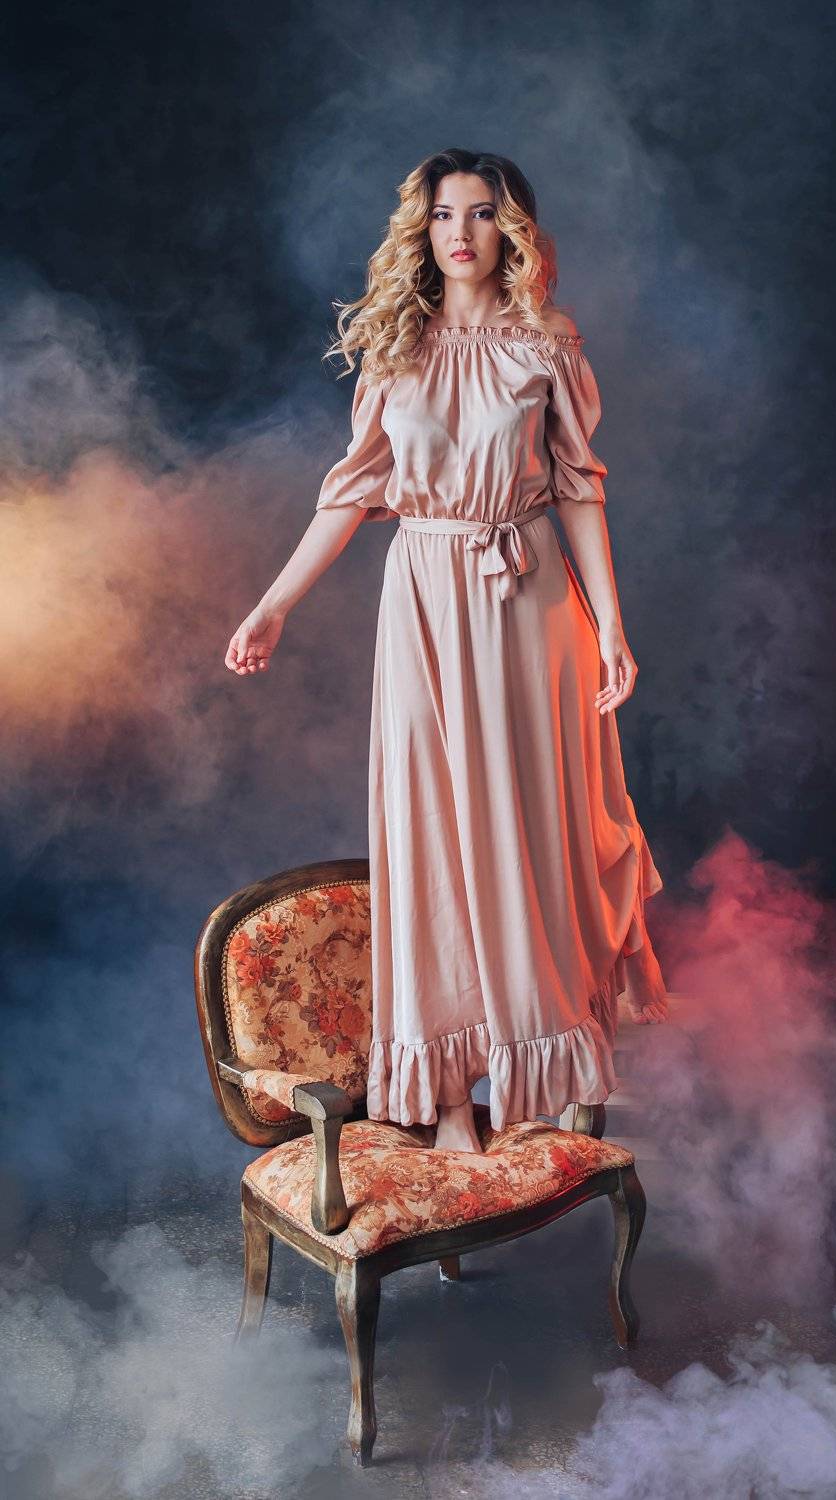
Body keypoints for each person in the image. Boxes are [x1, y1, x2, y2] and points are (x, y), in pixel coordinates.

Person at [225, 148, 671, 1156]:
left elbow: (579, 489)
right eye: (440, 216)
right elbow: (348, 495)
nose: (458, 233)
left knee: (533, 831)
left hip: (531, 601)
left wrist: (611, 625)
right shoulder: (396, 346)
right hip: (425, 600)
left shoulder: (547, 342)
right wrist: (273, 605)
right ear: (419, 231)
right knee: (430, 832)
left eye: (478, 214)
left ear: (510, 231)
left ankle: (538, 1065)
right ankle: (450, 1098)